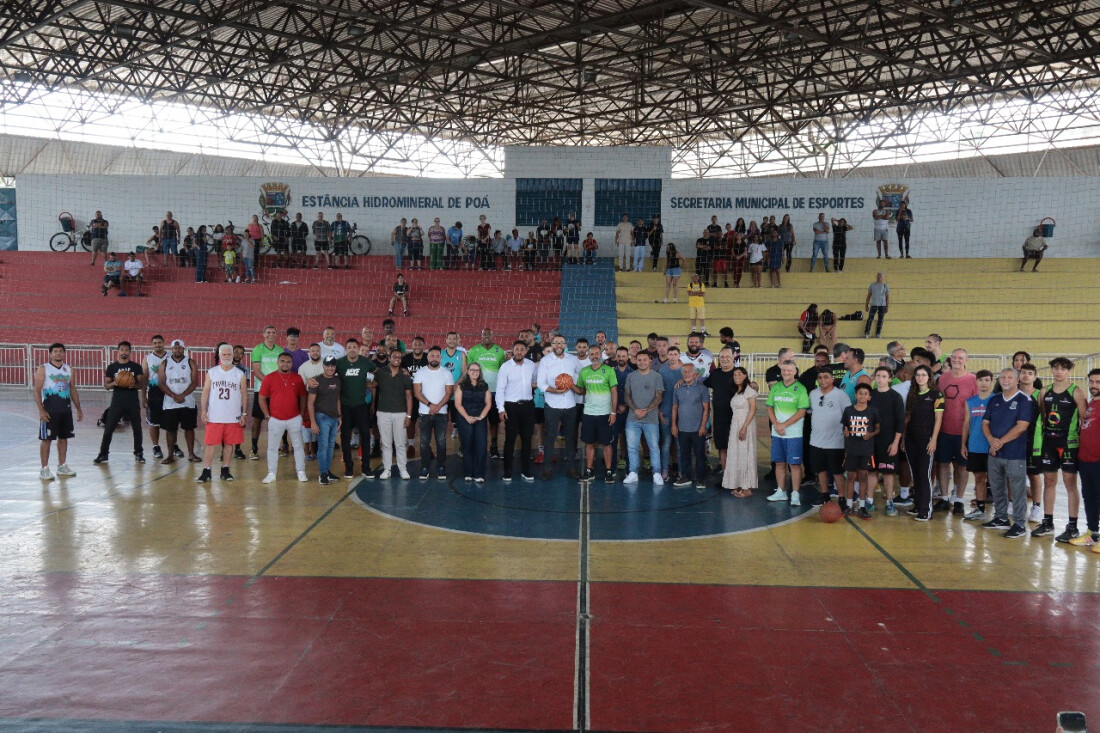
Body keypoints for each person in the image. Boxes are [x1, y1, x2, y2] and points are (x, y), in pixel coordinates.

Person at [1034, 357, 1089, 541]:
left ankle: (1072, 526)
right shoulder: (1044, 391)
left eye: (1063, 369)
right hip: (1049, 441)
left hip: (1069, 443)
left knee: (1070, 483)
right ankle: (1047, 522)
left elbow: (1084, 420)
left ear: (1069, 371)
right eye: (1056, 368)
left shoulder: (1077, 392)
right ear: (1051, 370)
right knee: (1049, 481)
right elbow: (1042, 417)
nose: (1059, 372)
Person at [981, 368, 1035, 538]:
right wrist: (991, 441)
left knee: (1018, 490)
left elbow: (1021, 427)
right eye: (1002, 377)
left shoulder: (1024, 400)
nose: (1005, 380)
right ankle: (1000, 518)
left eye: (1009, 377)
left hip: (1014, 453)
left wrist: (999, 442)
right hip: (995, 453)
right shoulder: (995, 400)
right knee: (997, 487)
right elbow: (985, 423)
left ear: (1017, 380)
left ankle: (1019, 524)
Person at [934, 349, 978, 514]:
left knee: (962, 466)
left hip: (964, 431)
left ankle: (958, 499)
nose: (957, 360)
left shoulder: (973, 380)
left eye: (960, 358)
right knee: (943, 464)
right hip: (944, 430)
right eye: (954, 357)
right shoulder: (942, 379)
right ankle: (944, 497)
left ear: (966, 360)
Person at [198, 344, 248, 483]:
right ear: (219, 356)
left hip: (233, 416)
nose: (227, 357)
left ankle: (225, 469)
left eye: (229, 354)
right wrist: (203, 410)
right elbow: (205, 392)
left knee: (229, 444)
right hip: (215, 415)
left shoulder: (239, 374)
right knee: (210, 444)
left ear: (233, 356)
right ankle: (206, 470)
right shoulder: (212, 372)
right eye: (224, 354)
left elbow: (244, 395)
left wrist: (244, 413)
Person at [34, 343, 82, 480]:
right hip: (50, 410)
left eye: (61, 351)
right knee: (46, 439)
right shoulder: (44, 369)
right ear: (50, 354)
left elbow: (72, 389)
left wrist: (78, 408)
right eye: (55, 351)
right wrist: (41, 411)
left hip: (65, 410)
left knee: (63, 437)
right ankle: (44, 469)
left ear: (64, 353)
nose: (58, 353)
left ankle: (62, 465)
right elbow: (37, 390)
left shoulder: (68, 369)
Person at [806, 370, 852, 511]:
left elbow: (848, 415)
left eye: (826, 377)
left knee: (837, 471)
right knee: (821, 470)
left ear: (832, 379)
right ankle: (825, 494)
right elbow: (810, 412)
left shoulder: (841, 395)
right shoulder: (813, 394)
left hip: (835, 441)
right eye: (820, 377)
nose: (823, 379)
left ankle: (842, 497)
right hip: (816, 440)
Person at [93, 341, 145, 464]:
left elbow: (141, 384)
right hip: (117, 402)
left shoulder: (136, 367)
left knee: (137, 428)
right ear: (118, 351)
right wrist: (115, 383)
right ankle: (103, 454)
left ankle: (139, 453)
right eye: (122, 350)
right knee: (109, 428)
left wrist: (134, 385)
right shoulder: (112, 367)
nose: (124, 352)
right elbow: (106, 386)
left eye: (126, 350)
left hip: (132, 402)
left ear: (130, 352)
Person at [537, 334, 581, 480]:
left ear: (565, 344)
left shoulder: (573, 360)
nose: (559, 345)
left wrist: (572, 384)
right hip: (552, 404)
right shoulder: (545, 361)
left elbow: (580, 376)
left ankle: (571, 468)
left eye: (562, 342)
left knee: (570, 438)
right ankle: (548, 469)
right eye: (556, 342)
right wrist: (555, 390)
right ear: (552, 343)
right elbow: (541, 383)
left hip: (570, 404)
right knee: (550, 437)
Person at [259, 353, 308, 484]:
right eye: (282, 361)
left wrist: (301, 414)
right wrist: (267, 415)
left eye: (288, 362)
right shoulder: (269, 378)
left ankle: (301, 472)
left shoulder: (297, 378)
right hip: (275, 419)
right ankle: (271, 473)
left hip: (294, 418)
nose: (285, 364)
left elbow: (303, 397)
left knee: (298, 446)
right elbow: (262, 398)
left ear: (292, 364)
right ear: (277, 362)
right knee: (272, 448)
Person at [766, 360, 810, 506]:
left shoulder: (801, 388)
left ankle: (795, 493)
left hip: (794, 434)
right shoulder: (776, 387)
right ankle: (781, 491)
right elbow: (769, 407)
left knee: (795, 464)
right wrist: (776, 425)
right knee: (779, 463)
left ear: (795, 371)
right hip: (777, 433)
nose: (786, 372)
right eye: (784, 370)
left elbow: (802, 411)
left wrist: (784, 424)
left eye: (789, 370)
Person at [904, 365, 944, 521]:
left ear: (929, 377)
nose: (920, 377)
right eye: (918, 375)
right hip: (911, 440)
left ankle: (926, 510)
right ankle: (918, 505)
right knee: (915, 475)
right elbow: (907, 419)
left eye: (923, 375)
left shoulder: (936, 395)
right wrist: (903, 438)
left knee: (924, 474)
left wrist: (933, 440)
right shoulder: (912, 395)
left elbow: (939, 419)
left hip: (926, 439)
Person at [574, 348, 619, 484]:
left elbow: (614, 392)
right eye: (592, 354)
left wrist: (613, 412)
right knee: (589, 443)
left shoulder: (609, 370)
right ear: (589, 355)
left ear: (601, 355)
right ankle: (589, 470)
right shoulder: (584, 371)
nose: (594, 356)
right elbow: (581, 391)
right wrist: (570, 384)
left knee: (607, 444)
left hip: (605, 413)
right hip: (589, 413)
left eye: (596, 353)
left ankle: (608, 471)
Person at [1067, 369, 1100, 550]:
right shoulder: (1092, 404)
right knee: (1089, 497)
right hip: (1086, 460)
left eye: (1098, 382)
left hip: (1098, 460)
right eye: (1092, 382)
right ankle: (1092, 533)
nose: (1094, 385)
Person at [495, 341, 536, 482]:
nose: (519, 352)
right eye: (516, 349)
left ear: (526, 351)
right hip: (511, 407)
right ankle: (507, 471)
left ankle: (526, 470)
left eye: (522, 349)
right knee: (510, 439)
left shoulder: (531, 365)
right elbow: (500, 389)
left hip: (528, 406)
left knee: (527, 439)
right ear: (512, 350)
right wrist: (501, 409)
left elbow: (535, 382)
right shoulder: (505, 367)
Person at [867, 366, 905, 516]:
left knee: (889, 472)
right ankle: (869, 500)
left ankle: (890, 501)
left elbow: (900, 422)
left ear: (890, 378)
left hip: (888, 441)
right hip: (872, 441)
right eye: (878, 376)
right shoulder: (870, 396)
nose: (880, 379)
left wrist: (895, 442)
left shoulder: (895, 397)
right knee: (872, 471)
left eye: (884, 376)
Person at [336, 338, 376, 479]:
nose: (352, 349)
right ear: (345, 349)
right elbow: (328, 374)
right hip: (345, 405)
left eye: (354, 347)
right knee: (345, 437)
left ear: (358, 349)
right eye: (349, 347)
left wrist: (372, 384)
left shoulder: (365, 362)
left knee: (365, 435)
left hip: (361, 405)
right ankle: (349, 467)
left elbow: (378, 372)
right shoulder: (339, 363)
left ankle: (366, 467)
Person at [413, 346, 455, 479]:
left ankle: (441, 467)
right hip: (424, 413)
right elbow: (417, 392)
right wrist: (430, 405)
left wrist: (438, 407)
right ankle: (424, 467)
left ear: (441, 358)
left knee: (441, 441)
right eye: (432, 355)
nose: (434, 358)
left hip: (441, 414)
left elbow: (449, 393)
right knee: (424, 442)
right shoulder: (420, 372)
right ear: (427, 357)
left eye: (437, 356)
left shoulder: (446, 373)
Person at [623, 351, 664, 485]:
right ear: (635, 361)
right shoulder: (630, 376)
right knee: (632, 447)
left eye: (644, 360)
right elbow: (627, 396)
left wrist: (646, 410)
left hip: (651, 419)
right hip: (633, 418)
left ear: (650, 360)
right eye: (639, 360)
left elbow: (659, 397)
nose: (642, 362)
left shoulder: (657, 376)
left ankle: (657, 473)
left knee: (654, 447)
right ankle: (633, 472)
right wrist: (636, 410)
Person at [373, 348, 413, 480]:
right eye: (394, 356)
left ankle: (403, 469)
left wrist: (408, 416)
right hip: (383, 413)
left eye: (399, 357)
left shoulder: (405, 375)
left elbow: (409, 397)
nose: (397, 359)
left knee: (400, 443)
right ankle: (387, 469)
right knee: (386, 443)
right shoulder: (381, 372)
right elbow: (372, 385)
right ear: (389, 358)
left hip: (400, 414)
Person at [467, 329, 508, 459]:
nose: (487, 336)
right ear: (481, 336)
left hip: (495, 392)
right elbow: (469, 372)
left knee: (494, 421)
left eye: (489, 334)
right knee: (478, 420)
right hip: (478, 392)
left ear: (493, 336)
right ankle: (477, 446)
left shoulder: (500, 351)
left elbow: (503, 371)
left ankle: (494, 446)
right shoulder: (473, 351)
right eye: (484, 334)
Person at [961, 369, 995, 521]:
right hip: (975, 445)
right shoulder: (970, 402)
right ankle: (980, 508)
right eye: (980, 380)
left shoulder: (997, 400)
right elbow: (966, 424)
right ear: (976, 382)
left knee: (997, 479)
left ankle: (1002, 510)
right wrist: (963, 444)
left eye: (987, 380)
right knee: (979, 478)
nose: (983, 383)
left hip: (992, 445)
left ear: (991, 382)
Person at [843, 384, 880, 519]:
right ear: (856, 395)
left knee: (863, 477)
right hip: (851, 448)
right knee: (851, 477)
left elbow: (877, 428)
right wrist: (845, 432)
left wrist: (870, 434)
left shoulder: (873, 411)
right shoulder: (848, 410)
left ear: (869, 397)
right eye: (860, 393)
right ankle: (848, 505)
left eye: (865, 394)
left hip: (865, 450)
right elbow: (845, 428)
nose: (862, 396)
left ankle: (862, 506)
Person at [671, 363, 710, 489]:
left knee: (700, 454)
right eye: (684, 372)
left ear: (695, 373)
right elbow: (675, 408)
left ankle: (700, 479)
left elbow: (706, 409)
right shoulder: (677, 388)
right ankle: (686, 477)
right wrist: (674, 425)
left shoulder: (702, 388)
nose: (686, 374)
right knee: (684, 454)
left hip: (697, 429)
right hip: (682, 428)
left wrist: (703, 426)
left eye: (689, 371)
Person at [722, 366, 758, 498]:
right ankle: (739, 483)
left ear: (745, 375)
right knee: (737, 453)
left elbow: (753, 409)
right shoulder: (737, 391)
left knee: (745, 453)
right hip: (735, 424)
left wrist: (744, 427)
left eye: (739, 374)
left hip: (745, 424)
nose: (736, 376)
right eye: (734, 374)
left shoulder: (749, 391)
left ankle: (747, 487)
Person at [248, 326, 283, 459]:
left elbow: (282, 369)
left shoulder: (280, 350)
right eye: (268, 332)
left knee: (279, 419)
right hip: (261, 390)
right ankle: (254, 449)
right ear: (263, 334)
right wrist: (269, 384)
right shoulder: (258, 349)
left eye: (274, 332)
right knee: (257, 420)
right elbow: (256, 371)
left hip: (276, 392)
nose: (271, 335)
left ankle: (280, 446)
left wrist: (276, 386)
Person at [455, 363, 492, 482]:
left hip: (480, 419)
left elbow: (488, 403)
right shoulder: (461, 386)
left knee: (481, 446)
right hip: (465, 418)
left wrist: (481, 417)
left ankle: (479, 474)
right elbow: (458, 404)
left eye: (477, 370)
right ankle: (468, 473)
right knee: (467, 445)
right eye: (472, 370)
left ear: (480, 372)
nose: (475, 372)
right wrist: (467, 417)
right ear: (468, 371)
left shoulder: (484, 385)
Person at [307, 356, 342, 485]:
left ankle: (327, 471)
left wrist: (339, 416)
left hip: (333, 418)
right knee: (323, 446)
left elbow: (337, 398)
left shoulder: (338, 380)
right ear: (323, 366)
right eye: (328, 365)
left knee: (331, 446)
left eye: (332, 365)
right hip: (322, 417)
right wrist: (313, 422)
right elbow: (310, 403)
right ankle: (322, 473)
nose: (330, 368)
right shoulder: (316, 381)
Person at [705, 347, 737, 473]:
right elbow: (702, 386)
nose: (724, 359)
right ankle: (726, 477)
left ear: (733, 357)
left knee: (734, 448)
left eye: (727, 357)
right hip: (719, 418)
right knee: (721, 447)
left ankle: (734, 477)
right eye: (722, 357)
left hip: (735, 419)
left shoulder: (738, 374)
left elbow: (749, 389)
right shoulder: (715, 374)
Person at [142, 335, 168, 460]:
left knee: (171, 421)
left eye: (159, 342)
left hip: (169, 392)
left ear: (164, 343)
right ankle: (156, 446)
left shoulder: (170, 357)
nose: (157, 345)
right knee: (154, 422)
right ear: (152, 345)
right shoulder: (147, 358)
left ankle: (174, 445)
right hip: (154, 392)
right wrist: (142, 395)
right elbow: (144, 377)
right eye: (155, 343)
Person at [864, 272, 890, 339]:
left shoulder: (885, 286)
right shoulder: (872, 285)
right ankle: (867, 332)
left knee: (880, 320)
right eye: (878, 276)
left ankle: (878, 333)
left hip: (882, 305)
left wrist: (887, 306)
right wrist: (866, 305)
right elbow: (869, 295)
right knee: (870, 318)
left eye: (880, 276)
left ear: (883, 278)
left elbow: (887, 297)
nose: (879, 278)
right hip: (874, 304)